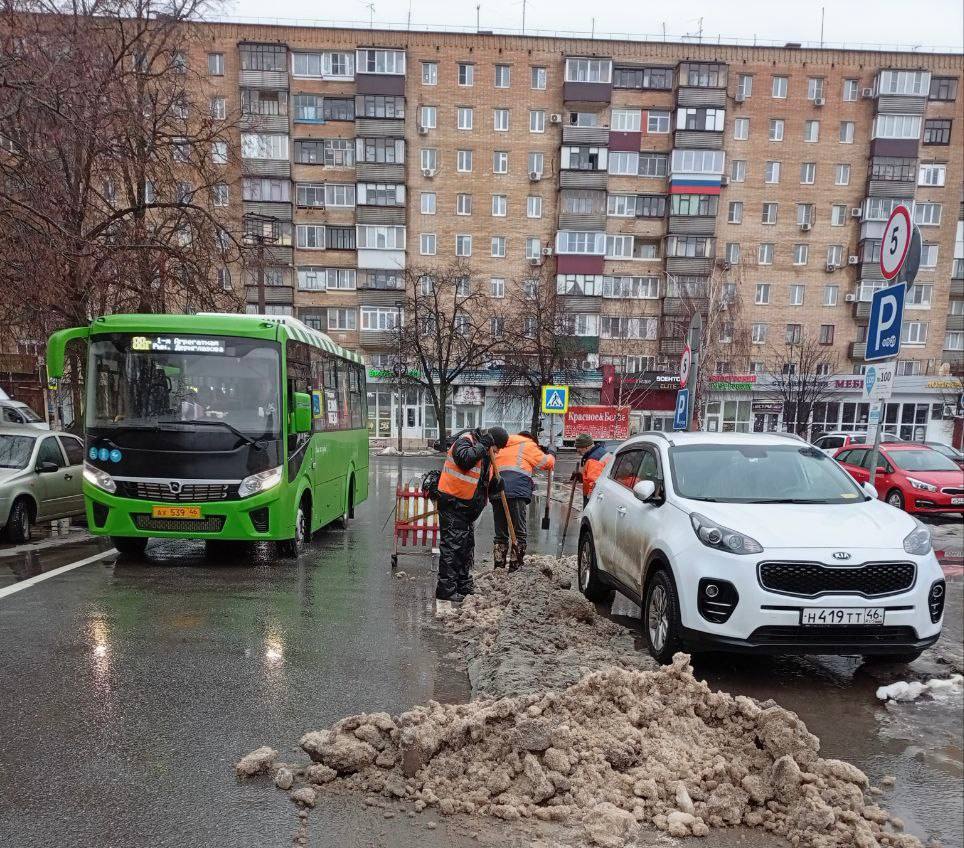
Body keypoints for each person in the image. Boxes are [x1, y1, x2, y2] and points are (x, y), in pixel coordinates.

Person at [436, 426, 510, 603]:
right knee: (453, 548)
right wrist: (484, 445)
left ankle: (463, 584)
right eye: (497, 446)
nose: (498, 451)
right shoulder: (466, 442)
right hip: (454, 504)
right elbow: (464, 460)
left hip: (467, 509)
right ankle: (446, 590)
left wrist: (494, 485)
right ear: (491, 441)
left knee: (465, 548)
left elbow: (479, 483)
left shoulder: (485, 453)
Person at [490, 430, 556, 572]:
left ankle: (499, 567)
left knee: (500, 533)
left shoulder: (503, 444)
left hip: (496, 490)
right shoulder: (528, 445)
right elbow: (547, 463)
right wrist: (552, 452)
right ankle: (515, 567)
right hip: (517, 492)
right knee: (519, 532)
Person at [572, 432, 612, 507]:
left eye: (579, 451)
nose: (579, 453)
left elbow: (594, 483)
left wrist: (589, 502)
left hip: (594, 498)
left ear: (586, 447)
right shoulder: (600, 452)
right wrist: (582, 475)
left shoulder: (594, 459)